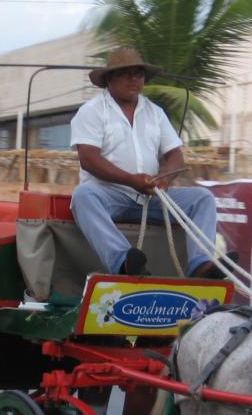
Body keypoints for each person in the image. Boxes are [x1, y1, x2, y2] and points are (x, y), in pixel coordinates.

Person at [69, 47, 224, 278]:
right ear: (110, 78)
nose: (134, 79)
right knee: (83, 196)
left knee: (203, 198)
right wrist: (131, 180)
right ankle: (123, 261)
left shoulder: (155, 113)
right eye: (126, 73)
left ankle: (201, 264)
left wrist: (165, 179)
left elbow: (175, 156)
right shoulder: (91, 111)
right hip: (110, 194)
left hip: (151, 196)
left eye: (139, 73)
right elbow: (89, 159)